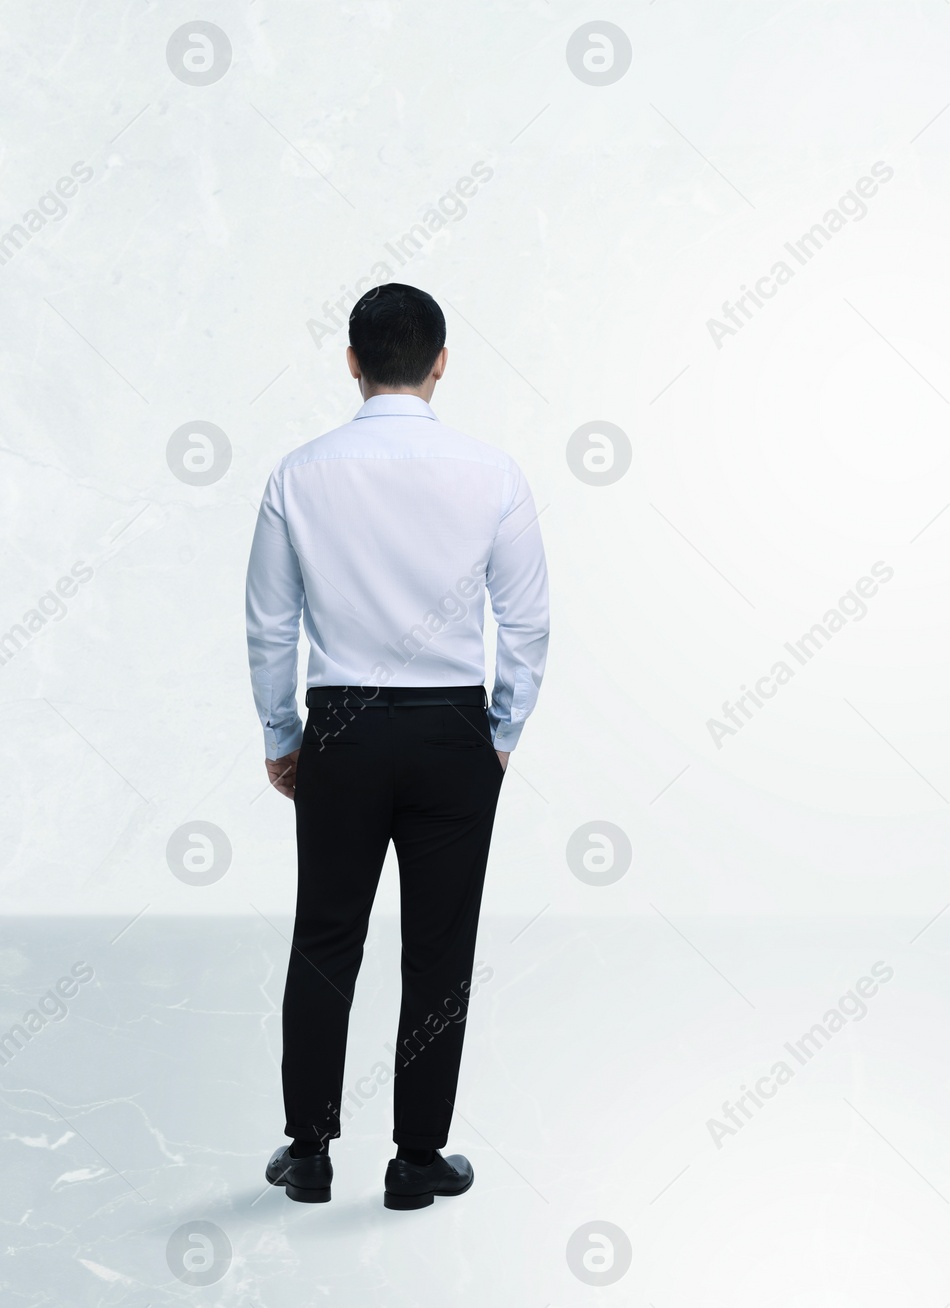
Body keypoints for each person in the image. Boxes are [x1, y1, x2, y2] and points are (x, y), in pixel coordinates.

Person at [244, 283, 549, 1209]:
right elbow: (526, 623)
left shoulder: (300, 473)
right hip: (452, 729)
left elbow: (270, 627)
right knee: (440, 949)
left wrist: (283, 736)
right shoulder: (493, 473)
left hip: (341, 725)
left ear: (352, 362)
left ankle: (308, 1153)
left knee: (325, 939)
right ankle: (417, 1162)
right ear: (442, 362)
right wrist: (499, 733)